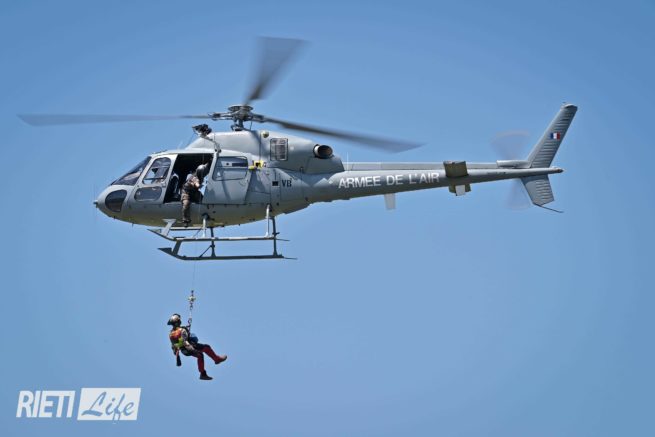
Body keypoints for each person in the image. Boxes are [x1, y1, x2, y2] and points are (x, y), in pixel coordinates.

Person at [167, 313, 227, 380]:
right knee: (206, 347)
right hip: (190, 347)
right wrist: (193, 350)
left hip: (184, 351)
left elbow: (173, 345)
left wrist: (176, 353)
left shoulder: (171, 334)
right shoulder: (182, 330)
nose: (180, 321)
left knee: (200, 355)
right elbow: (185, 342)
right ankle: (216, 359)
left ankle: (203, 374)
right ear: (177, 322)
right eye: (179, 320)